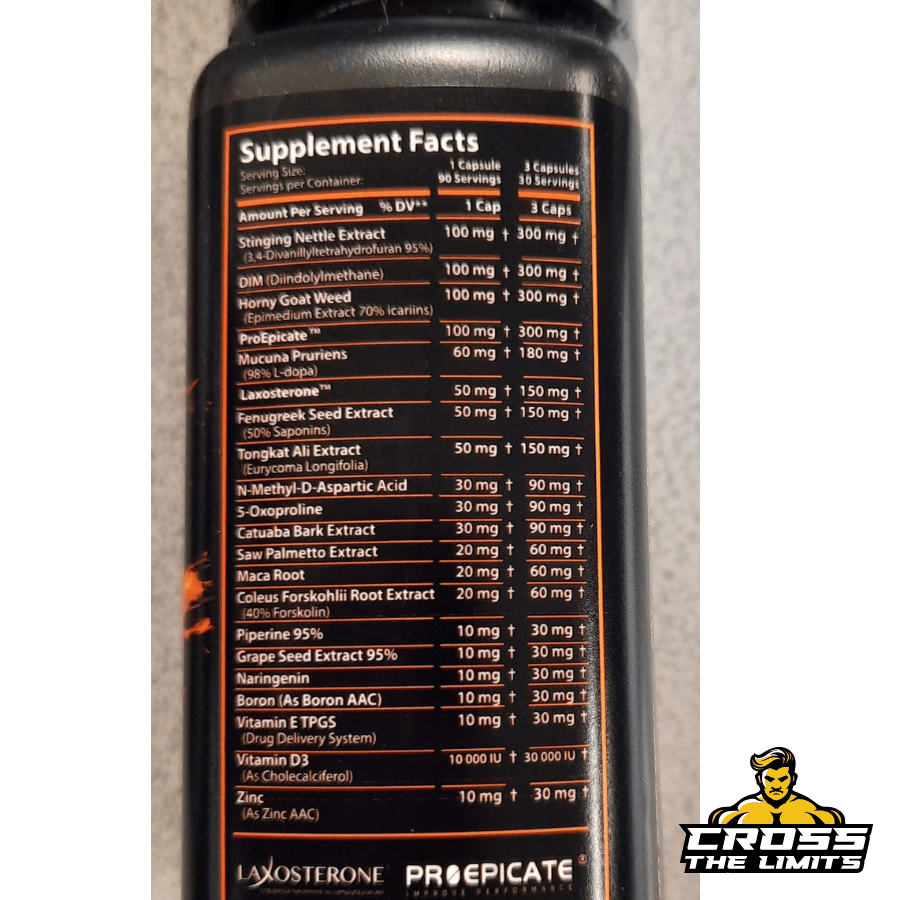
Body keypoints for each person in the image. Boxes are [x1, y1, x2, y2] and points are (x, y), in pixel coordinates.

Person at [709, 747, 844, 825]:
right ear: (759, 779)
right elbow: (718, 820)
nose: (776, 785)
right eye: (769, 779)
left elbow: (834, 819)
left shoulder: (811, 811)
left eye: (782, 779)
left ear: (793, 779)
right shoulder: (741, 810)